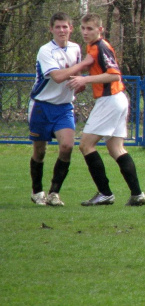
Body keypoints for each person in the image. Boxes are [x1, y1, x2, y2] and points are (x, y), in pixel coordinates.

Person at [67, 13, 145, 207]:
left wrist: (85, 79)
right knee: (115, 148)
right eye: (83, 29)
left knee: (86, 145)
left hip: (110, 100)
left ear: (100, 30)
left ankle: (105, 193)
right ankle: (137, 194)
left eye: (90, 29)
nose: (85, 32)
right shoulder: (93, 46)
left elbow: (114, 75)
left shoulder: (101, 46)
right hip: (118, 99)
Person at [28, 12, 93, 206]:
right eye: (58, 27)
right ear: (51, 29)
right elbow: (56, 76)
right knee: (40, 151)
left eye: (65, 26)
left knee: (66, 147)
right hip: (41, 105)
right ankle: (36, 191)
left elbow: (76, 76)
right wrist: (84, 64)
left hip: (64, 107)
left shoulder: (75, 48)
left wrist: (80, 83)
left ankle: (54, 193)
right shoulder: (45, 50)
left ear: (71, 29)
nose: (62, 30)